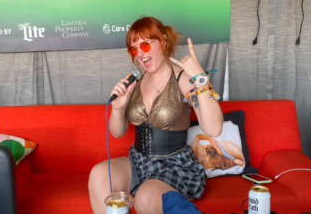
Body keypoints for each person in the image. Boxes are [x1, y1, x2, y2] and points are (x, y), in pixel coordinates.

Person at [88, 16, 223, 214]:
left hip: (174, 165)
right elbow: (117, 133)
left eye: (145, 44)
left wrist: (200, 79)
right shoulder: (132, 80)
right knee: (99, 174)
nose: (140, 53)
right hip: (138, 161)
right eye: (134, 49)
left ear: (163, 42)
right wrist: (118, 107)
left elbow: (214, 128)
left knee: (145, 196)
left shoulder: (183, 79)